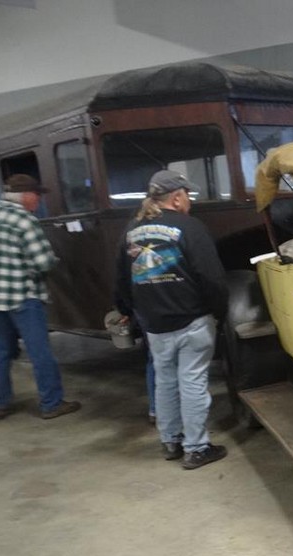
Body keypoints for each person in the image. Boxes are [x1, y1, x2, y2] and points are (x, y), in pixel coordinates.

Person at [115, 170, 229, 469]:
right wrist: (221, 311)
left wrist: (132, 310)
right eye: (187, 196)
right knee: (192, 382)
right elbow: (211, 277)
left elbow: (121, 279)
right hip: (192, 319)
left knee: (165, 381)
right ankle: (197, 448)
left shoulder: (131, 229)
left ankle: (171, 441)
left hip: (155, 324)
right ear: (177, 198)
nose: (189, 201)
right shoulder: (190, 228)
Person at [0, 174, 81, 420]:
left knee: (0, 351)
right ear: (26, 196)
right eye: (37, 195)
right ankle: (51, 403)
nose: (39, 199)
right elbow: (43, 262)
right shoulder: (24, 221)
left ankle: (0, 403)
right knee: (39, 352)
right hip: (23, 297)